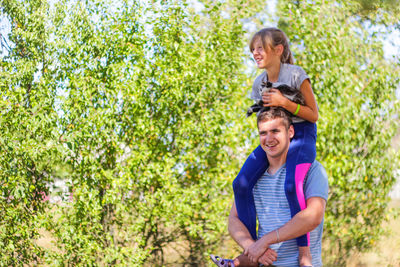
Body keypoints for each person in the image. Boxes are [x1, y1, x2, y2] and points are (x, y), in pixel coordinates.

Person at [233, 27, 319, 266]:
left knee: (292, 185)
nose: (255, 53)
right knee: (240, 184)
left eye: (260, 48)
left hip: (301, 134)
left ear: (278, 50)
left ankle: (304, 252)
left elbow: (314, 115)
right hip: (277, 136)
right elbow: (267, 122)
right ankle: (253, 250)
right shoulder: (259, 83)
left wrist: (284, 103)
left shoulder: (295, 75)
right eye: (253, 49)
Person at [211, 107, 328, 267]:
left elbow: (313, 216)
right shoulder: (253, 178)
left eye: (275, 131)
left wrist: (266, 240)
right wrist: (252, 247)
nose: (269, 138)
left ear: (290, 132)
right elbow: (234, 219)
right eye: (263, 133)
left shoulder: (312, 170)